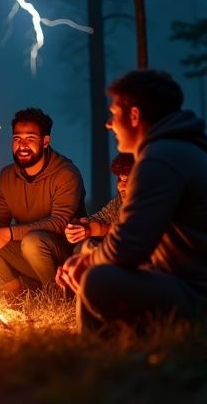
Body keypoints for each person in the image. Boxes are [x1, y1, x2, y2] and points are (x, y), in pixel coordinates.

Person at [57, 68, 207, 335]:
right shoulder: (177, 150)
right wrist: (89, 255)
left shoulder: (161, 158)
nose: (109, 123)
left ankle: (107, 348)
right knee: (91, 259)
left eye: (114, 113)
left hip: (195, 294)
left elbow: (129, 248)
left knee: (98, 279)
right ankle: (99, 345)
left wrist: (87, 263)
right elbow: (140, 243)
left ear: (134, 115)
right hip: (179, 281)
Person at [0, 107, 87, 293]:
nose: (22, 145)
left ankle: (57, 295)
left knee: (32, 242)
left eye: (30, 139)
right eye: (17, 139)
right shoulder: (7, 175)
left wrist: (9, 233)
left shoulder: (66, 174)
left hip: (63, 256)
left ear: (45, 142)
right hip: (27, 253)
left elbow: (59, 223)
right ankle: (17, 292)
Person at [65, 153, 134, 254]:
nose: (122, 186)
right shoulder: (119, 203)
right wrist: (82, 227)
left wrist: (104, 230)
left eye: (128, 180)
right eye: (120, 179)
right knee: (82, 247)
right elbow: (101, 219)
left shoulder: (154, 205)